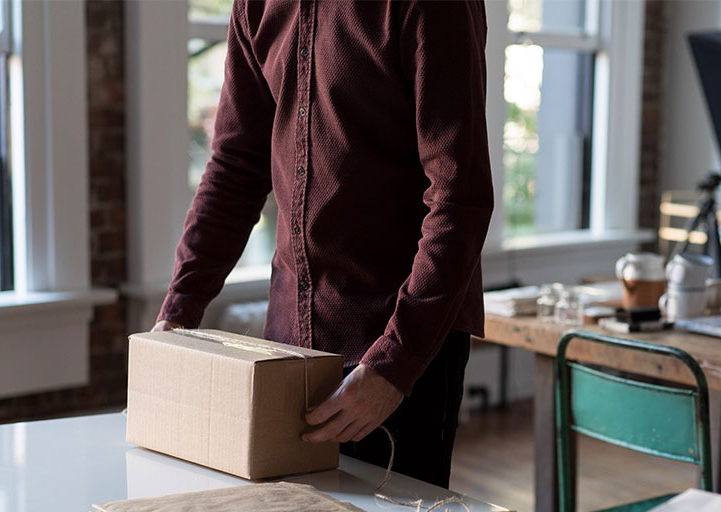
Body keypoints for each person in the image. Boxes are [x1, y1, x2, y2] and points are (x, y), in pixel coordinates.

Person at [152, 1, 492, 489]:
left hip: (400, 346)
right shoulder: (255, 5)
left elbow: (460, 198)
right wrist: (177, 317)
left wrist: (394, 364)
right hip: (287, 350)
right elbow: (234, 169)